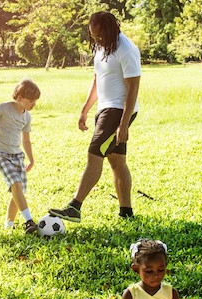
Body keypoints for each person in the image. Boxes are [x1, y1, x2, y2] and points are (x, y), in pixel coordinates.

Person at [49, 11, 141, 222]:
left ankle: (75, 206)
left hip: (119, 110)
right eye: (93, 36)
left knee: (94, 153)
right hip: (105, 109)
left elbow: (133, 87)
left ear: (110, 29)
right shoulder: (102, 47)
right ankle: (126, 213)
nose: (97, 39)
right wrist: (85, 109)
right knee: (117, 162)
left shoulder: (126, 49)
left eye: (100, 35)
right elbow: (98, 79)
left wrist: (124, 123)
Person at [0, 79, 41, 234]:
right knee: (16, 183)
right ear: (19, 98)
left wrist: (31, 159)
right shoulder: (3, 108)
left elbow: (26, 140)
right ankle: (29, 221)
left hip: (17, 155)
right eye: (31, 101)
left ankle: (9, 226)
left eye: (35, 101)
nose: (34, 104)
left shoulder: (27, 117)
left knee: (17, 191)